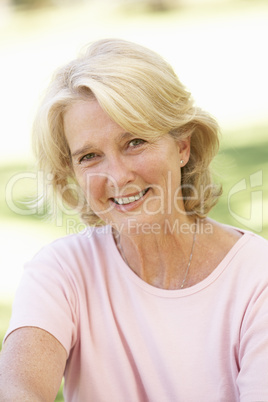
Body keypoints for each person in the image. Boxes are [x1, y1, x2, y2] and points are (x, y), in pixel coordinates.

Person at [0, 38, 268, 402]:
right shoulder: (60, 272)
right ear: (74, 173)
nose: (118, 175)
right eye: (90, 156)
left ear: (183, 146)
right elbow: (18, 388)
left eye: (135, 142)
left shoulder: (257, 278)